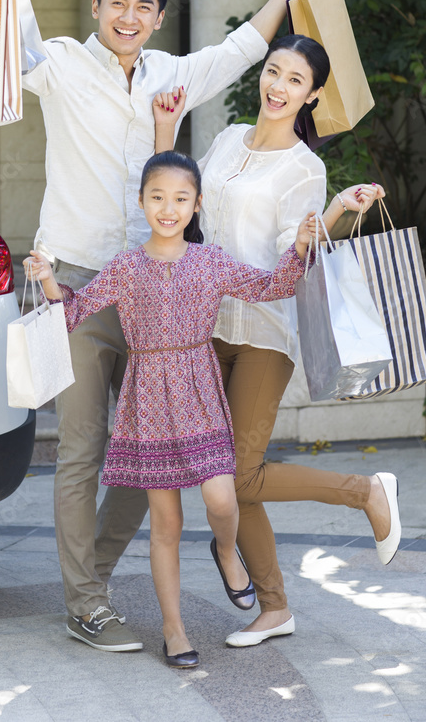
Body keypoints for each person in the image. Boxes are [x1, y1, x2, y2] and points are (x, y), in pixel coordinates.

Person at [0, 0, 338, 651]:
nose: (128, 15)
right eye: (116, 1)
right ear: (96, 7)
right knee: (84, 446)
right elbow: (6, 33)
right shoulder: (58, 64)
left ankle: (84, 578)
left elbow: (244, 48)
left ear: (157, 16)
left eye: (143, 5)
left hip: (163, 287)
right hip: (81, 279)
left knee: (144, 458)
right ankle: (87, 602)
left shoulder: (172, 74)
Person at [154, 33, 401, 648]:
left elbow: (299, 243)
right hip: (205, 327)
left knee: (239, 475)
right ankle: (274, 607)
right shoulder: (225, 139)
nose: (279, 86)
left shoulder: (305, 167)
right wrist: (164, 132)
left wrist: (336, 213)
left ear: (312, 95)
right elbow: (180, 201)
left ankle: (366, 491)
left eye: (295, 80)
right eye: (274, 72)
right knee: (230, 469)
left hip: (263, 331)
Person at [24, 150, 317, 666]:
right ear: (141, 202)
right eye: (157, 197)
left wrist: (299, 245)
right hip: (149, 402)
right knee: (166, 524)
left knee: (222, 500)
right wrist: (47, 277)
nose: (168, 207)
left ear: (197, 205)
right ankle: (174, 628)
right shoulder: (126, 268)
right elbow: (73, 313)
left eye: (181, 198)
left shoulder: (210, 261)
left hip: (200, 393)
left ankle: (227, 552)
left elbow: (274, 286)